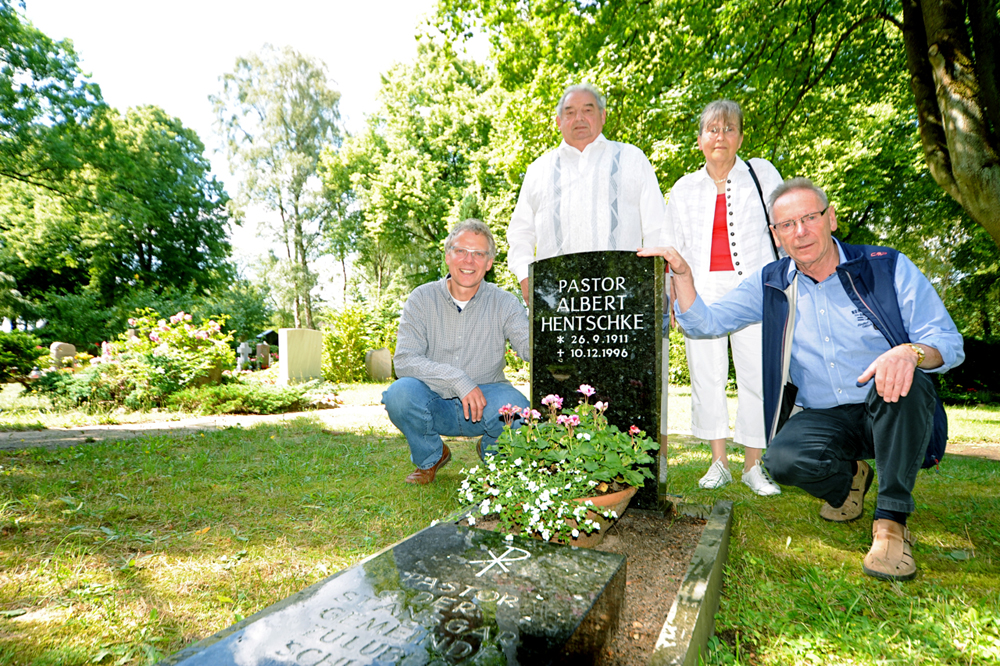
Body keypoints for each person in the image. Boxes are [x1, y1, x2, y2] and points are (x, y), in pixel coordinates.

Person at [639, 178, 964, 581]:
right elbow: (706, 323)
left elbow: (947, 342)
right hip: (827, 416)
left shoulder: (886, 266)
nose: (800, 231)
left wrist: (910, 352)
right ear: (776, 236)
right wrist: (684, 274)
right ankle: (851, 479)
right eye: (787, 225)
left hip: (892, 402)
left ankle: (891, 523)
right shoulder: (772, 282)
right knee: (782, 460)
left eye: (809, 218)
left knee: (907, 378)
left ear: (830, 219)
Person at [507, 82, 672, 444]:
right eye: (569, 111)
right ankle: (562, 475)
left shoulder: (631, 158)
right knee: (563, 394)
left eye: (587, 109)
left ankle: (627, 473)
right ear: (557, 121)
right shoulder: (538, 170)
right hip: (559, 305)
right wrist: (525, 280)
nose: (578, 118)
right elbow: (518, 234)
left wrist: (662, 288)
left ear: (603, 115)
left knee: (624, 393)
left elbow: (659, 227)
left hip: (621, 304)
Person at [667, 99, 782, 496]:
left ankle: (753, 465)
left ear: (740, 137)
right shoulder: (683, 189)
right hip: (700, 291)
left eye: (729, 129)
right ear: (699, 140)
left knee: (756, 376)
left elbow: (782, 226)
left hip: (756, 286)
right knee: (706, 376)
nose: (721, 136)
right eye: (713, 130)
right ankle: (718, 462)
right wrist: (673, 299)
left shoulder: (761, 173)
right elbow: (673, 248)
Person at [382, 219, 531, 485]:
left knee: (520, 412)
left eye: (478, 254)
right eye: (461, 251)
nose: (468, 260)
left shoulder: (505, 302)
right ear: (448, 255)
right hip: (434, 402)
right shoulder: (421, 298)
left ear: (489, 263)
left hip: (487, 401)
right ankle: (431, 457)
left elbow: (531, 349)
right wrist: (458, 380)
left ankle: (494, 455)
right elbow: (404, 360)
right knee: (399, 394)